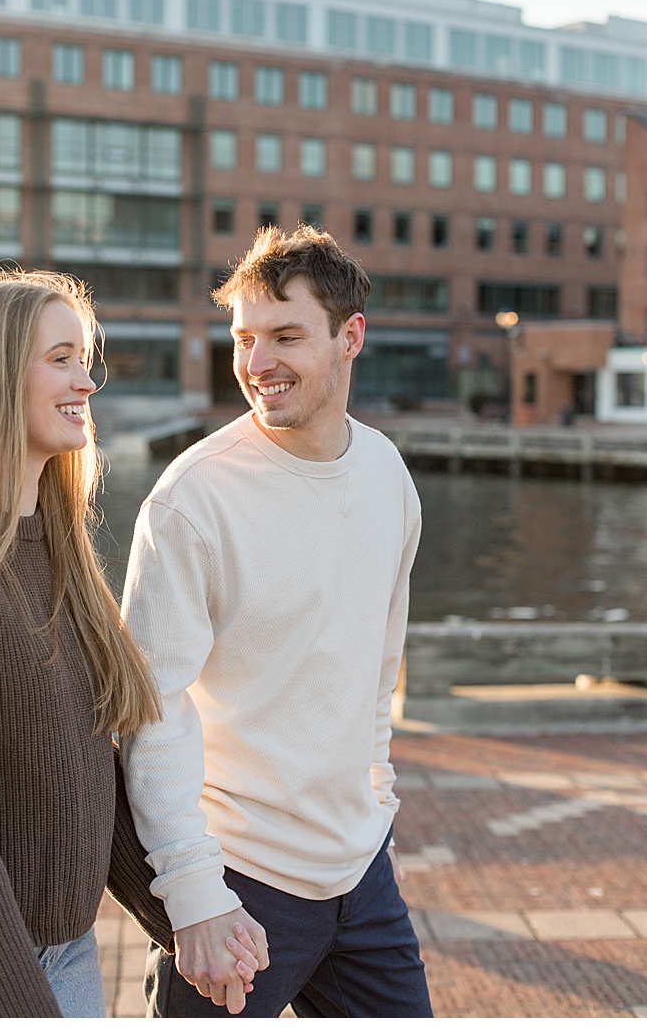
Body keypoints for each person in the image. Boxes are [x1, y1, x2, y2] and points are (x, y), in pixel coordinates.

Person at [0, 271, 257, 1016]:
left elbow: (89, 774)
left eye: (85, 359)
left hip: (67, 959)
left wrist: (185, 922)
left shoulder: (56, 539)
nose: (86, 381)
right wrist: (23, 1005)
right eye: (60, 358)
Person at [120, 226, 433, 1017]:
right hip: (239, 885)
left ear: (349, 336)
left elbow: (376, 665)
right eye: (244, 339)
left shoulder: (389, 477)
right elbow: (149, 708)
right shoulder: (192, 501)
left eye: (286, 336)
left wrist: (377, 792)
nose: (257, 364)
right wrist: (192, 895)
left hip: (363, 874)